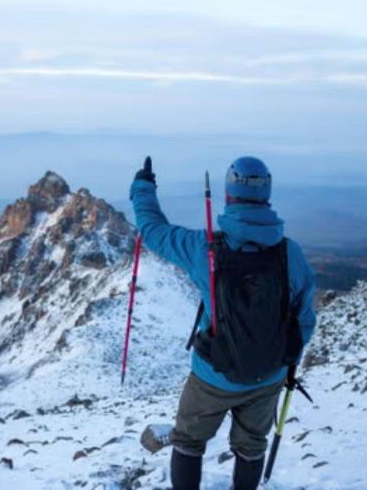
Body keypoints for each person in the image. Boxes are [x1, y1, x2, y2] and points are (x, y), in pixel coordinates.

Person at [130, 156, 316, 490]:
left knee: (188, 440)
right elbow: (304, 320)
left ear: (228, 195)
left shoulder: (204, 247)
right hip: (268, 375)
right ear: (267, 195)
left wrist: (143, 187)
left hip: (212, 375)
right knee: (251, 445)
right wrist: (287, 361)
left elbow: (153, 230)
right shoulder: (292, 254)